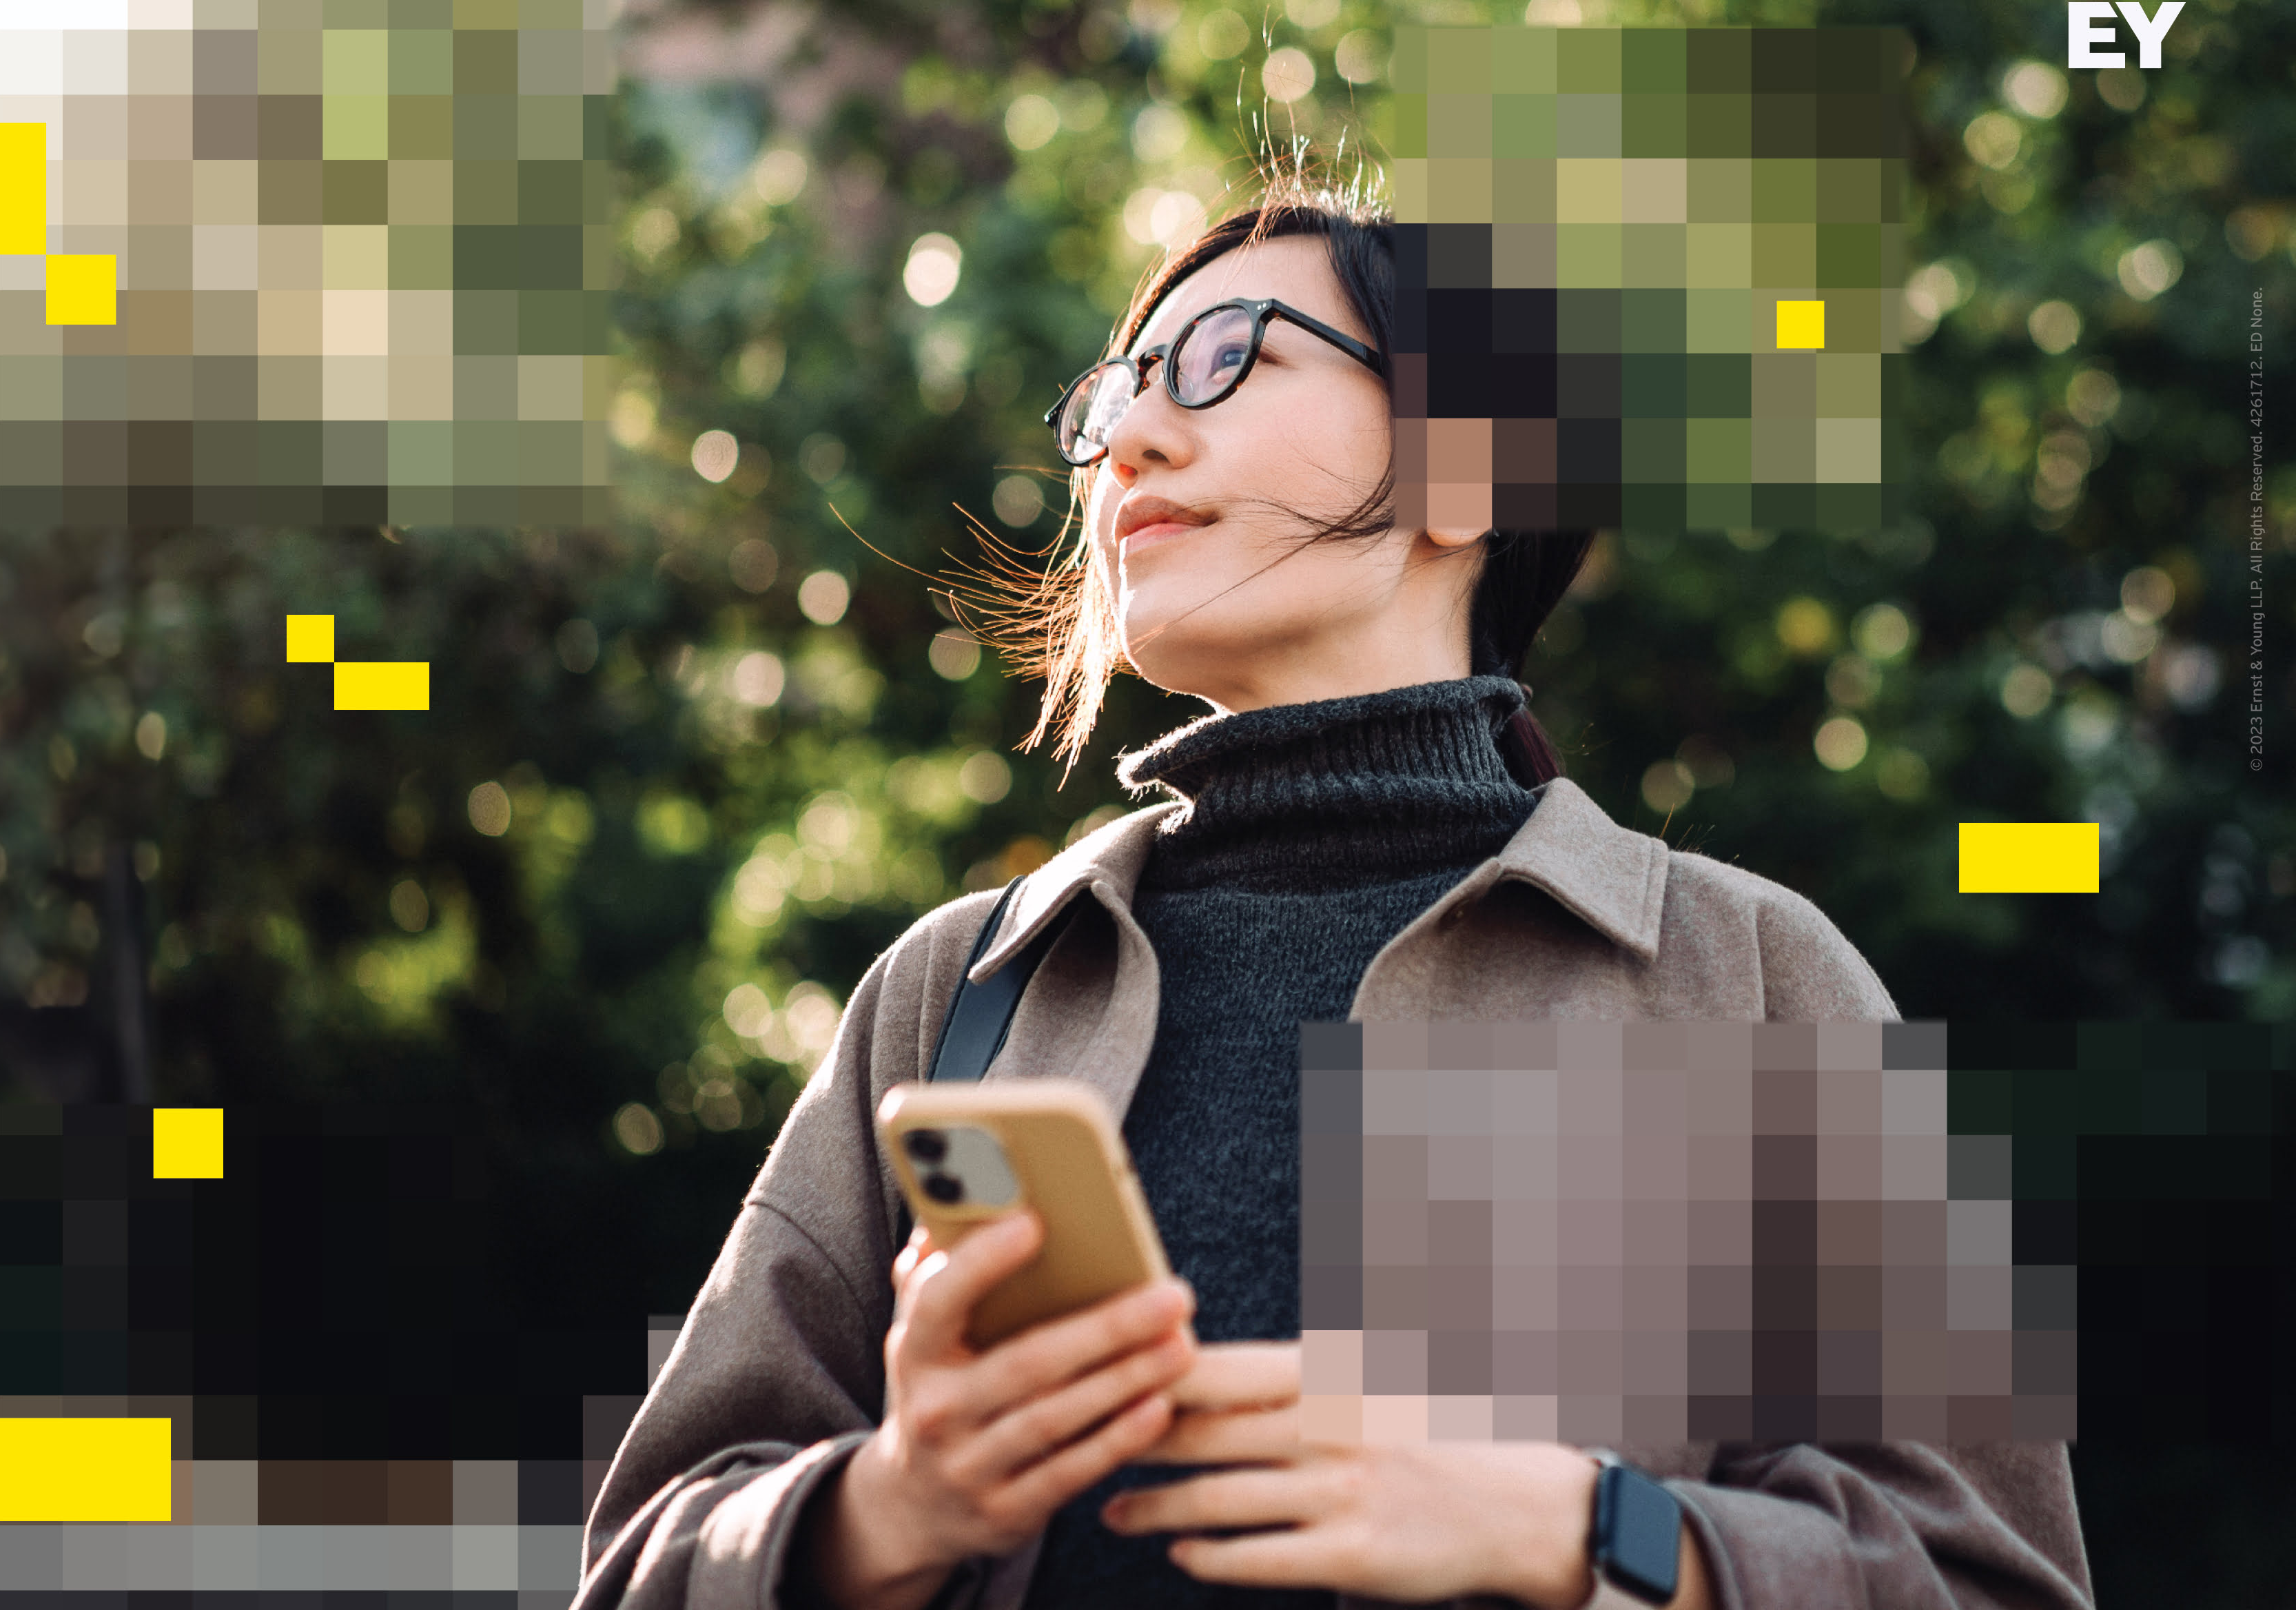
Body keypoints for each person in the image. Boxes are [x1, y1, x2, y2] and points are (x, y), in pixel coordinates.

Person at [573, 177, 2096, 1610]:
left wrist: (1569, 1528)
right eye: (1114, 396)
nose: (1127, 444)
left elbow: (1986, 1569)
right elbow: (645, 1550)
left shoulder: (1751, 969)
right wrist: (894, 1502)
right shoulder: (957, 987)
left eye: (1227, 356)